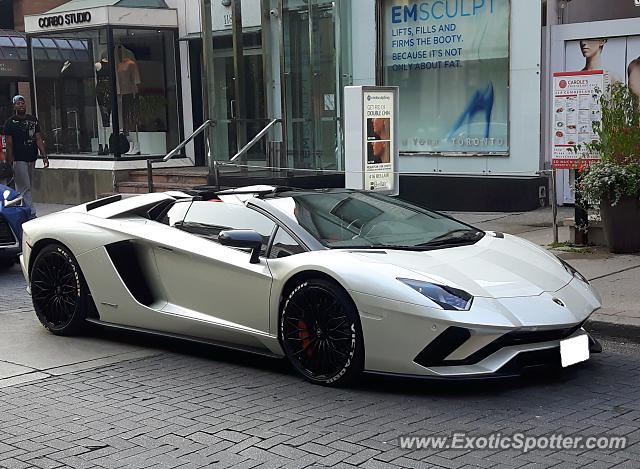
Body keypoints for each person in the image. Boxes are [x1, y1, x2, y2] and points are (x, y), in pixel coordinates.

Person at [2, 95, 49, 216]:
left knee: (25, 187)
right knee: (25, 187)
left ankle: (21, 210)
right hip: (19, 159)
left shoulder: (32, 120)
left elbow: (38, 138)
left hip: (31, 158)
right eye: (18, 103)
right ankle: (31, 213)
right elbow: (9, 144)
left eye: (22, 103)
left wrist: (44, 156)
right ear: (14, 106)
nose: (21, 105)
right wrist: (9, 162)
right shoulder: (10, 123)